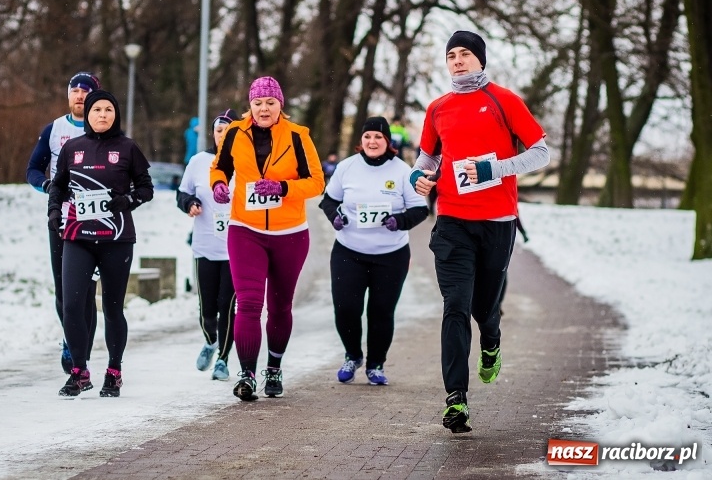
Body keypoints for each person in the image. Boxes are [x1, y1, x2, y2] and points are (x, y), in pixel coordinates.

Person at [411, 30, 549, 433]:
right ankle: (456, 398)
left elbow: (541, 152)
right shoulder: (438, 108)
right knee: (455, 305)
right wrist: (419, 177)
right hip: (452, 221)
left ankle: (491, 341)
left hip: (497, 223)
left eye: (465, 54)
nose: (457, 61)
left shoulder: (504, 100)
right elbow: (426, 157)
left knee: (484, 309)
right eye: (451, 55)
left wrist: (495, 169)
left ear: (480, 59)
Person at [209, 76, 325, 401]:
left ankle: (273, 368)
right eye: (258, 103)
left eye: (270, 103)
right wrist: (218, 185)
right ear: (250, 105)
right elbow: (220, 167)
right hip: (245, 229)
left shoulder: (298, 136)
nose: (263, 109)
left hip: (290, 234)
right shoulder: (234, 133)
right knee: (248, 304)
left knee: (280, 306)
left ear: (280, 105)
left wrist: (283, 187)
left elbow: (317, 182)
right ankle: (246, 374)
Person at [47, 90, 154, 397]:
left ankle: (114, 371)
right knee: (71, 305)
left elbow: (146, 188)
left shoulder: (127, 147)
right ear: (89, 115)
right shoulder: (72, 148)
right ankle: (79, 371)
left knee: (112, 308)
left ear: (115, 114)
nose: (102, 115)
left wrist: (127, 200)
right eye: (97, 110)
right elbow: (58, 186)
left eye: (108, 109)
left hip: (116, 239)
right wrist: (54, 211)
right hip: (77, 237)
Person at [318, 116, 428, 386]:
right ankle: (352, 355)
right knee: (346, 308)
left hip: (391, 255)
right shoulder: (347, 167)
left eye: (378, 136)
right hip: (349, 251)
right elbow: (328, 200)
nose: (372, 141)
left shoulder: (402, 171)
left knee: (381, 311)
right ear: (361, 140)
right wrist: (335, 218)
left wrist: (399, 221)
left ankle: (376, 364)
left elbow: (420, 210)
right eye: (367, 136)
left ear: (388, 141)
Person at [26, 71, 101, 374]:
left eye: (86, 91)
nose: (80, 96)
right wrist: (47, 186)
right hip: (61, 217)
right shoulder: (54, 129)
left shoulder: (104, 128)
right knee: (64, 290)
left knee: (87, 291)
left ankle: (82, 354)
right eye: (75, 90)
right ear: (68, 95)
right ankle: (72, 340)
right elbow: (33, 169)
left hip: (94, 218)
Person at [177, 109, 238, 381]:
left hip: (236, 250)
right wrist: (190, 203)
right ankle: (211, 341)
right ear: (213, 134)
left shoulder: (246, 164)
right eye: (218, 130)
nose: (222, 135)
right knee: (207, 308)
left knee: (227, 305)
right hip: (205, 247)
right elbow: (182, 193)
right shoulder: (199, 162)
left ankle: (223, 359)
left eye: (228, 131)